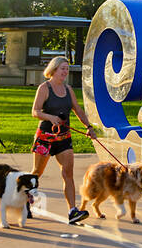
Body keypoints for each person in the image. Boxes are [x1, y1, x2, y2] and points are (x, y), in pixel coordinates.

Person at [31, 56, 97, 224]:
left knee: (68, 173)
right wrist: (50, 117)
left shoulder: (68, 89)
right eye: (62, 68)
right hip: (46, 136)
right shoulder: (44, 88)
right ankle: (24, 200)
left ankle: (72, 210)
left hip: (64, 137)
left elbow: (78, 110)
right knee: (37, 173)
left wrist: (88, 127)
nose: (65, 72)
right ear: (53, 70)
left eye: (67, 69)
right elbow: (35, 111)